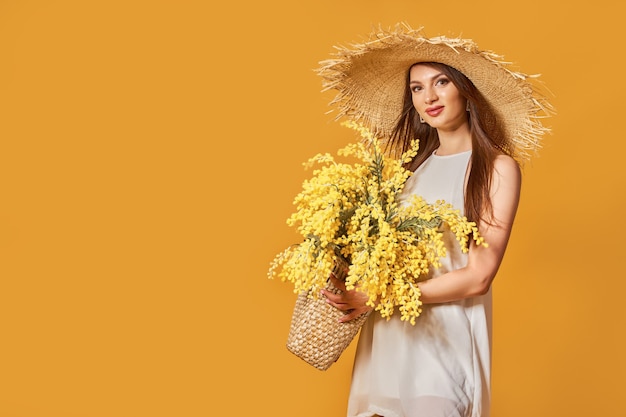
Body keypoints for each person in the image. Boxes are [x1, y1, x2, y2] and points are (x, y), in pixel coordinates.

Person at [318, 24, 552, 417]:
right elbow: (384, 258)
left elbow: (478, 277)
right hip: (388, 341)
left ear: (466, 92)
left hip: (443, 345)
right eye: (417, 87)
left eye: (441, 82)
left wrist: (377, 296)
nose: (429, 96)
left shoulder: (496, 168)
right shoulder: (409, 172)